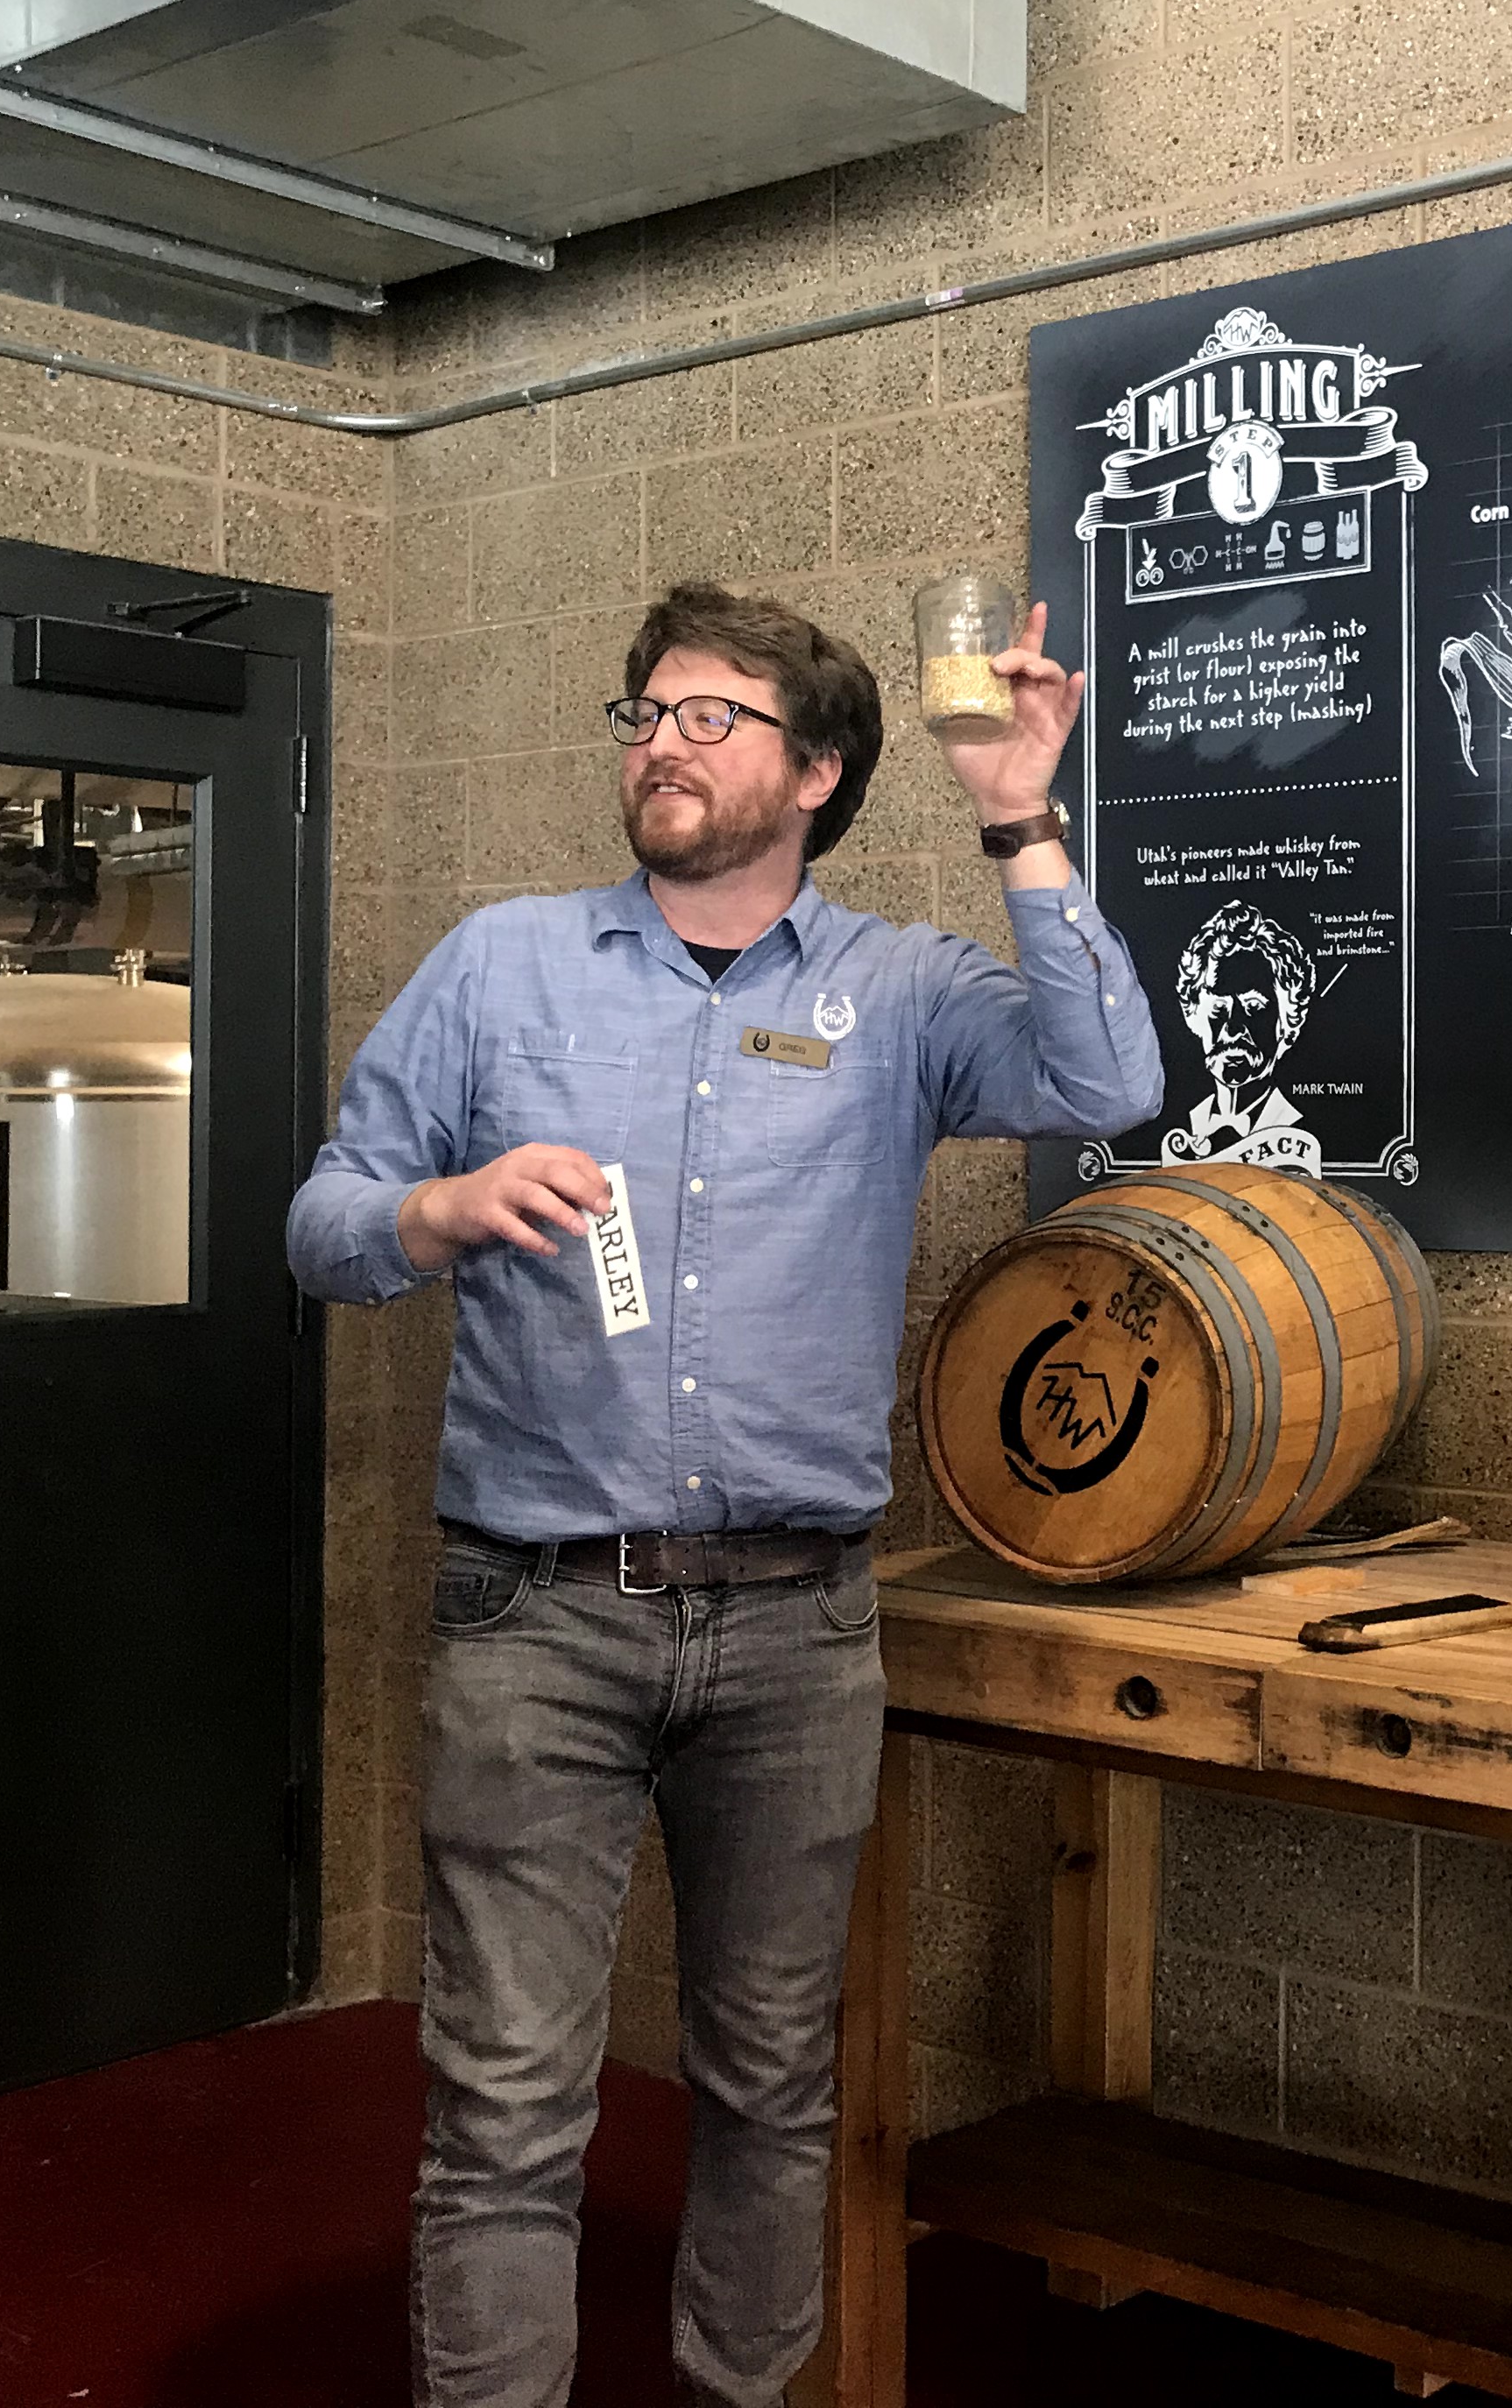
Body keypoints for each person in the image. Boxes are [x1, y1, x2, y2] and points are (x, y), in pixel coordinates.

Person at [286, 582, 1161, 2408]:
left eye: (707, 716)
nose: (659, 743)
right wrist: (428, 1214)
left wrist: (1019, 811)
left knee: (772, 2085)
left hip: (797, 1629)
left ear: (817, 768)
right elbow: (325, 1222)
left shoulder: (903, 992)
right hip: (535, 1617)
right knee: (508, 2093)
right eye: (644, 713)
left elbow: (1110, 1079)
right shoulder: (500, 964)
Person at [1167, 899, 1322, 1170]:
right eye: (1218, 1009)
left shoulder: (1304, 1127)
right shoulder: (1180, 1121)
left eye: (1254, 1008)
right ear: (1193, 1017)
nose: (1233, 1027)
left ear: (1288, 1022)